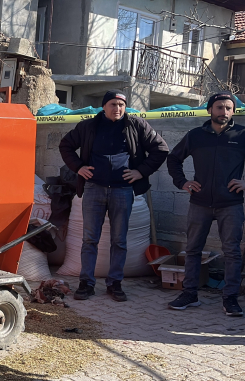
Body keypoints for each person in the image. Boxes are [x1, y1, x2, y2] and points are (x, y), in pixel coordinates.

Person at [59, 90, 169, 302]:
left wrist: (141, 172)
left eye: (121, 105)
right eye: (113, 104)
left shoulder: (136, 125)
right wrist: (79, 167)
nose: (117, 108)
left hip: (122, 190)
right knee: (89, 239)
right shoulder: (88, 126)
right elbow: (66, 145)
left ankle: (115, 283)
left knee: (119, 240)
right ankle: (86, 283)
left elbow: (160, 149)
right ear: (104, 106)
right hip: (94, 188)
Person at [166, 92, 245, 317]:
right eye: (219, 107)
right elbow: (173, 159)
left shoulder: (242, 135)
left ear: (233, 111)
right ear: (210, 109)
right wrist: (183, 182)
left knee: (232, 252)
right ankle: (189, 294)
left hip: (231, 204)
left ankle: (230, 298)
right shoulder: (195, 136)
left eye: (228, 108)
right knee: (192, 250)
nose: (224, 112)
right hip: (199, 203)